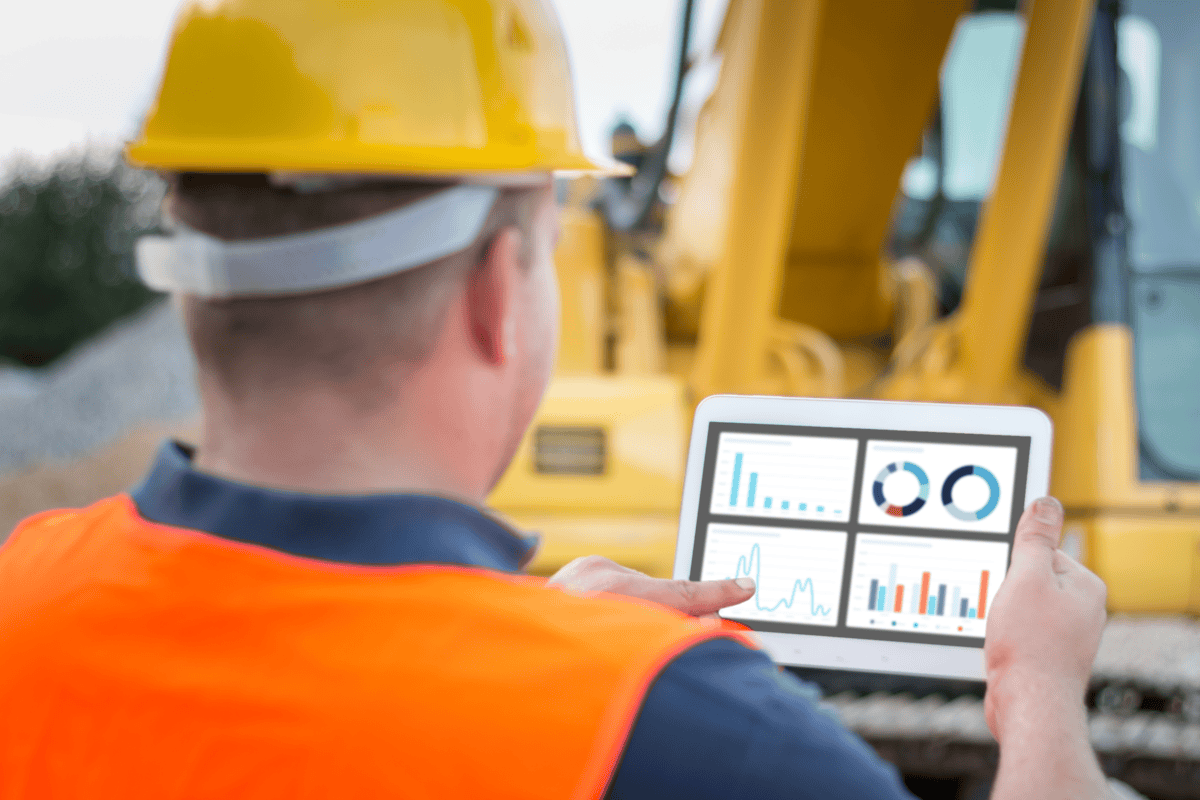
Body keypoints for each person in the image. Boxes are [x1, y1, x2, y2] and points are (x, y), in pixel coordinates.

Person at [0, 1, 1111, 797]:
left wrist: (536, 630)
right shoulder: (693, 733)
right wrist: (1041, 695)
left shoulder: (24, 589)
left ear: (191, 286)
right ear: (497, 291)